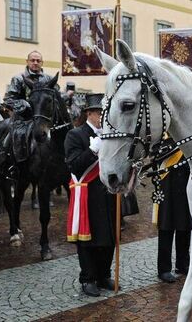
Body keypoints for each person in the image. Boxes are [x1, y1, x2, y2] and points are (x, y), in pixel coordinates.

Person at [64, 93, 117, 297]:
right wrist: (93, 150)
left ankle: (104, 274)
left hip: (108, 192)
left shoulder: (111, 134)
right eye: (100, 112)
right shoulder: (75, 135)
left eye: (106, 112)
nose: (104, 116)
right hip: (88, 193)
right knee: (89, 238)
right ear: (90, 113)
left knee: (109, 236)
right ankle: (88, 278)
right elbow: (74, 165)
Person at [155, 141, 192, 283]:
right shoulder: (162, 135)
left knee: (185, 227)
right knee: (166, 227)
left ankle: (182, 264)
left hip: (186, 184)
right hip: (167, 186)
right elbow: (155, 155)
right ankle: (164, 269)